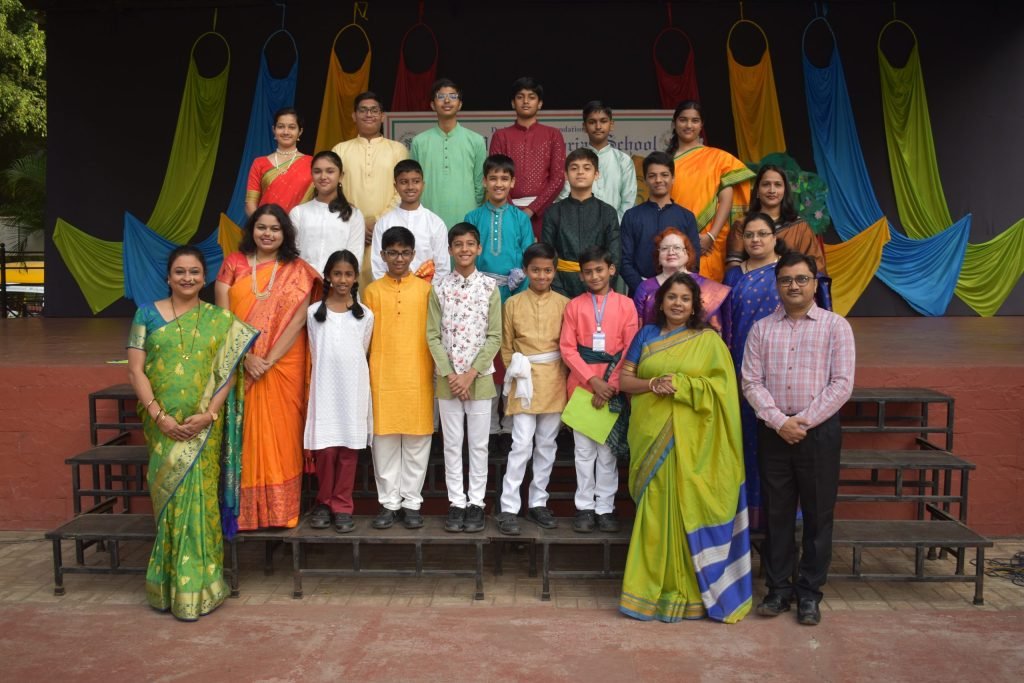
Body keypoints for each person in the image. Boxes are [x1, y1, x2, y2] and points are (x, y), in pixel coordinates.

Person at [127, 246, 258, 620]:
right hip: (162, 427)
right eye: (180, 272)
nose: (187, 278)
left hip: (203, 428)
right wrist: (159, 417)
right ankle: (167, 586)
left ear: (205, 278)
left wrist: (209, 415)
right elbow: (135, 371)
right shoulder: (146, 314)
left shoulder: (220, 319)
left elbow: (226, 373)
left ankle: (200, 587)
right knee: (170, 502)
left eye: (195, 272)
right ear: (168, 277)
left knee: (200, 502)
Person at [617, 272, 752, 623]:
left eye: (685, 298)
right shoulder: (646, 335)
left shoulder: (709, 341)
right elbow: (625, 380)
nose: (677, 303)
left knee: (685, 507)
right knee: (653, 513)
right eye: (672, 297)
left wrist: (683, 385)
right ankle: (646, 593)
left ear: (695, 306)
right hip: (651, 437)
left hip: (694, 443)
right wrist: (652, 384)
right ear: (661, 302)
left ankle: (691, 593)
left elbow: (723, 390)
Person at [742, 252, 855, 627]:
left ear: (814, 283)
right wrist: (780, 422)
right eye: (786, 280)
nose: (794, 286)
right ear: (777, 285)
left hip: (818, 433)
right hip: (774, 432)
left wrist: (802, 422)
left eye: (802, 279)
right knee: (776, 514)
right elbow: (751, 382)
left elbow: (842, 384)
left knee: (818, 516)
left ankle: (809, 594)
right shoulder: (761, 329)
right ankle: (777, 591)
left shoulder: (836, 327)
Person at [215, 204, 320, 531]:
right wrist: (246, 358)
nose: (268, 234)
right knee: (246, 437)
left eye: (275, 228)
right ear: (252, 230)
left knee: (282, 436)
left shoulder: (298, 270)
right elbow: (223, 318)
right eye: (262, 227)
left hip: (283, 364)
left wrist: (267, 360)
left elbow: (299, 320)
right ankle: (247, 514)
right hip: (241, 363)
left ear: (285, 233)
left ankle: (281, 512)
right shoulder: (233, 263)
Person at [427, 224, 502, 533]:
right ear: (449, 250)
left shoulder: (489, 287)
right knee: (452, 444)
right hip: (448, 381)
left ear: (479, 248)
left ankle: (476, 504)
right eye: (458, 244)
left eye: (470, 244)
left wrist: (470, 375)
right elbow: (432, 336)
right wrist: (451, 375)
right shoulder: (439, 287)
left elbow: (495, 336)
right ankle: (456, 502)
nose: (464, 249)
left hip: (479, 379)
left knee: (479, 445)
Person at [560, 245, 639, 533]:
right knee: (583, 452)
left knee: (607, 453)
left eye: (599, 270)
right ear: (581, 276)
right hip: (582, 387)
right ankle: (584, 507)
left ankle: (605, 508)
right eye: (588, 272)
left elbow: (631, 348)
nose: (594, 276)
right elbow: (567, 349)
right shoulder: (574, 306)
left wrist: (612, 385)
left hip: (613, 388)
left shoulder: (626, 305)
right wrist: (593, 382)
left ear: (611, 270)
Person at [362, 226, 435, 530]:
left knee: (418, 440)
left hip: (418, 373)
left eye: (405, 252)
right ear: (382, 255)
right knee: (384, 442)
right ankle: (389, 503)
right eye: (392, 253)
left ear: (413, 254)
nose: (399, 258)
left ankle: (412, 503)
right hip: (383, 376)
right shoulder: (372, 291)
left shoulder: (426, 290)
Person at [494, 242, 570, 535]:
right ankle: (509, 506)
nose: (541, 276)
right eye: (535, 270)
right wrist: (516, 373)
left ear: (555, 271)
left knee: (547, 444)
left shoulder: (565, 304)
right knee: (521, 444)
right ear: (525, 271)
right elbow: (506, 346)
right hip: (523, 379)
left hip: (554, 378)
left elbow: (568, 345)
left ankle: (538, 502)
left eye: (547, 270)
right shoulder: (512, 303)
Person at [721, 212, 789, 531]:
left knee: (777, 439)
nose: (755, 240)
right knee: (745, 438)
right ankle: (747, 515)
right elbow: (723, 323)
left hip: (781, 366)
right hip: (739, 365)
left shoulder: (787, 273)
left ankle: (780, 516)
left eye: (762, 234)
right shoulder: (733, 275)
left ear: (774, 237)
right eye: (749, 235)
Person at [304, 250, 374, 535]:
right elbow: (314, 351)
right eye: (337, 274)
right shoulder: (313, 313)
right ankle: (324, 502)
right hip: (324, 389)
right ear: (328, 277)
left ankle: (343, 505)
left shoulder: (365, 315)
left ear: (356, 278)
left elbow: (363, 351)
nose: (342, 280)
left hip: (353, 390)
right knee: (326, 450)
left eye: (348, 274)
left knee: (348, 450)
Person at [667, 101, 754, 282]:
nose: (689, 125)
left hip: (708, 242)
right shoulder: (665, 161)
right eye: (683, 120)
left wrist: (711, 236)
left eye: (695, 120)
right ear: (674, 123)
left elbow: (726, 199)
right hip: (673, 238)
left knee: (707, 294)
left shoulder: (718, 158)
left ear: (702, 125)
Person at [332, 91, 409, 288]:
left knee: (385, 288)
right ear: (354, 116)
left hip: (388, 230)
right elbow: (332, 190)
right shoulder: (340, 150)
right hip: (348, 230)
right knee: (349, 285)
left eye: (374, 110)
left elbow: (403, 190)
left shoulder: (398, 149)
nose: (369, 114)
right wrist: (357, 221)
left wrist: (377, 220)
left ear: (382, 116)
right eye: (363, 110)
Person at [489, 76, 566, 239]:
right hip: (506, 211)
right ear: (513, 103)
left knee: (542, 255)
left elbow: (558, 179)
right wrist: (512, 212)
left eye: (531, 97)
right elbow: (495, 176)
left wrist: (532, 210)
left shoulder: (553, 135)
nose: (525, 101)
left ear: (540, 103)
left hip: (543, 213)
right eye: (520, 97)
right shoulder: (501, 136)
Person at [542, 147, 621, 298]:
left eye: (586, 168)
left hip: (599, 286)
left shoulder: (607, 212)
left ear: (596, 174)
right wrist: (559, 291)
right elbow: (547, 256)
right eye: (574, 168)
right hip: (561, 286)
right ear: (566, 175)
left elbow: (614, 257)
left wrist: (601, 289)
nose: (580, 172)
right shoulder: (553, 212)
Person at [620, 151, 701, 294]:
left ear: (673, 178)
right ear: (645, 180)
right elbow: (624, 261)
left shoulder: (687, 217)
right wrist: (643, 288)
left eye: (664, 175)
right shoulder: (631, 216)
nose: (658, 180)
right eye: (652, 176)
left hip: (678, 293)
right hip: (640, 292)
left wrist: (676, 288)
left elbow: (693, 261)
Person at [410, 78, 486, 228]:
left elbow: (480, 185)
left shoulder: (476, 140)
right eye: (441, 96)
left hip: (466, 218)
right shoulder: (419, 141)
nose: (446, 100)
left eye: (452, 96)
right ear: (433, 105)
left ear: (460, 104)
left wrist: (472, 209)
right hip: (427, 219)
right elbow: (414, 182)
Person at [726, 164, 826, 274]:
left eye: (778, 185)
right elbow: (734, 268)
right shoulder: (742, 224)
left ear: (785, 191)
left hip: (792, 283)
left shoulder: (800, 226)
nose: (772, 190)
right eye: (766, 184)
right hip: (750, 284)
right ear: (757, 190)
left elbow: (816, 267)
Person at [465, 154, 535, 303]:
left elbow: (530, 259)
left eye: (504, 179)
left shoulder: (521, 219)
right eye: (493, 178)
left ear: (512, 182)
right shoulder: (472, 218)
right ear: (484, 181)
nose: (498, 184)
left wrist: (519, 292)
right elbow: (466, 256)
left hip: (513, 292)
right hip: (477, 292)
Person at [633, 228, 730, 330]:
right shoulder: (645, 287)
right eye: (664, 248)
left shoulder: (709, 288)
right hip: (654, 340)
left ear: (687, 254)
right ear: (658, 256)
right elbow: (637, 328)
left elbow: (716, 330)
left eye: (677, 247)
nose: (671, 252)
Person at [371, 159, 450, 283]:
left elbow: (442, 267)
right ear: (395, 186)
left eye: (416, 181)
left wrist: (429, 292)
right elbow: (378, 266)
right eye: (404, 182)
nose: (410, 187)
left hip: (427, 291)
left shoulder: (435, 223)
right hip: (390, 290)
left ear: (423, 184)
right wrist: (389, 291)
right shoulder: (384, 223)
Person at [556, 101, 637, 222]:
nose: (598, 126)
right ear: (584, 126)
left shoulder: (623, 161)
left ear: (611, 125)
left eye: (603, 121)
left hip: (615, 228)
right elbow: (564, 197)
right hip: (578, 227)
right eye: (592, 122)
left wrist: (613, 227)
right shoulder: (574, 161)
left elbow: (628, 202)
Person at [289, 151, 365, 274]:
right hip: (303, 281)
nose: (323, 176)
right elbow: (292, 253)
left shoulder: (353, 215)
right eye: (317, 171)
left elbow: (355, 255)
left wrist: (338, 280)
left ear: (341, 176)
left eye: (330, 171)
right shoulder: (298, 212)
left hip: (339, 283)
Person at [245, 108, 313, 217]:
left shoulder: (312, 163)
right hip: (267, 226)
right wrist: (262, 224)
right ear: (274, 129)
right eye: (281, 127)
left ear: (300, 131)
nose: (286, 132)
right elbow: (250, 203)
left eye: (292, 127)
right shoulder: (259, 163)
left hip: (301, 225)